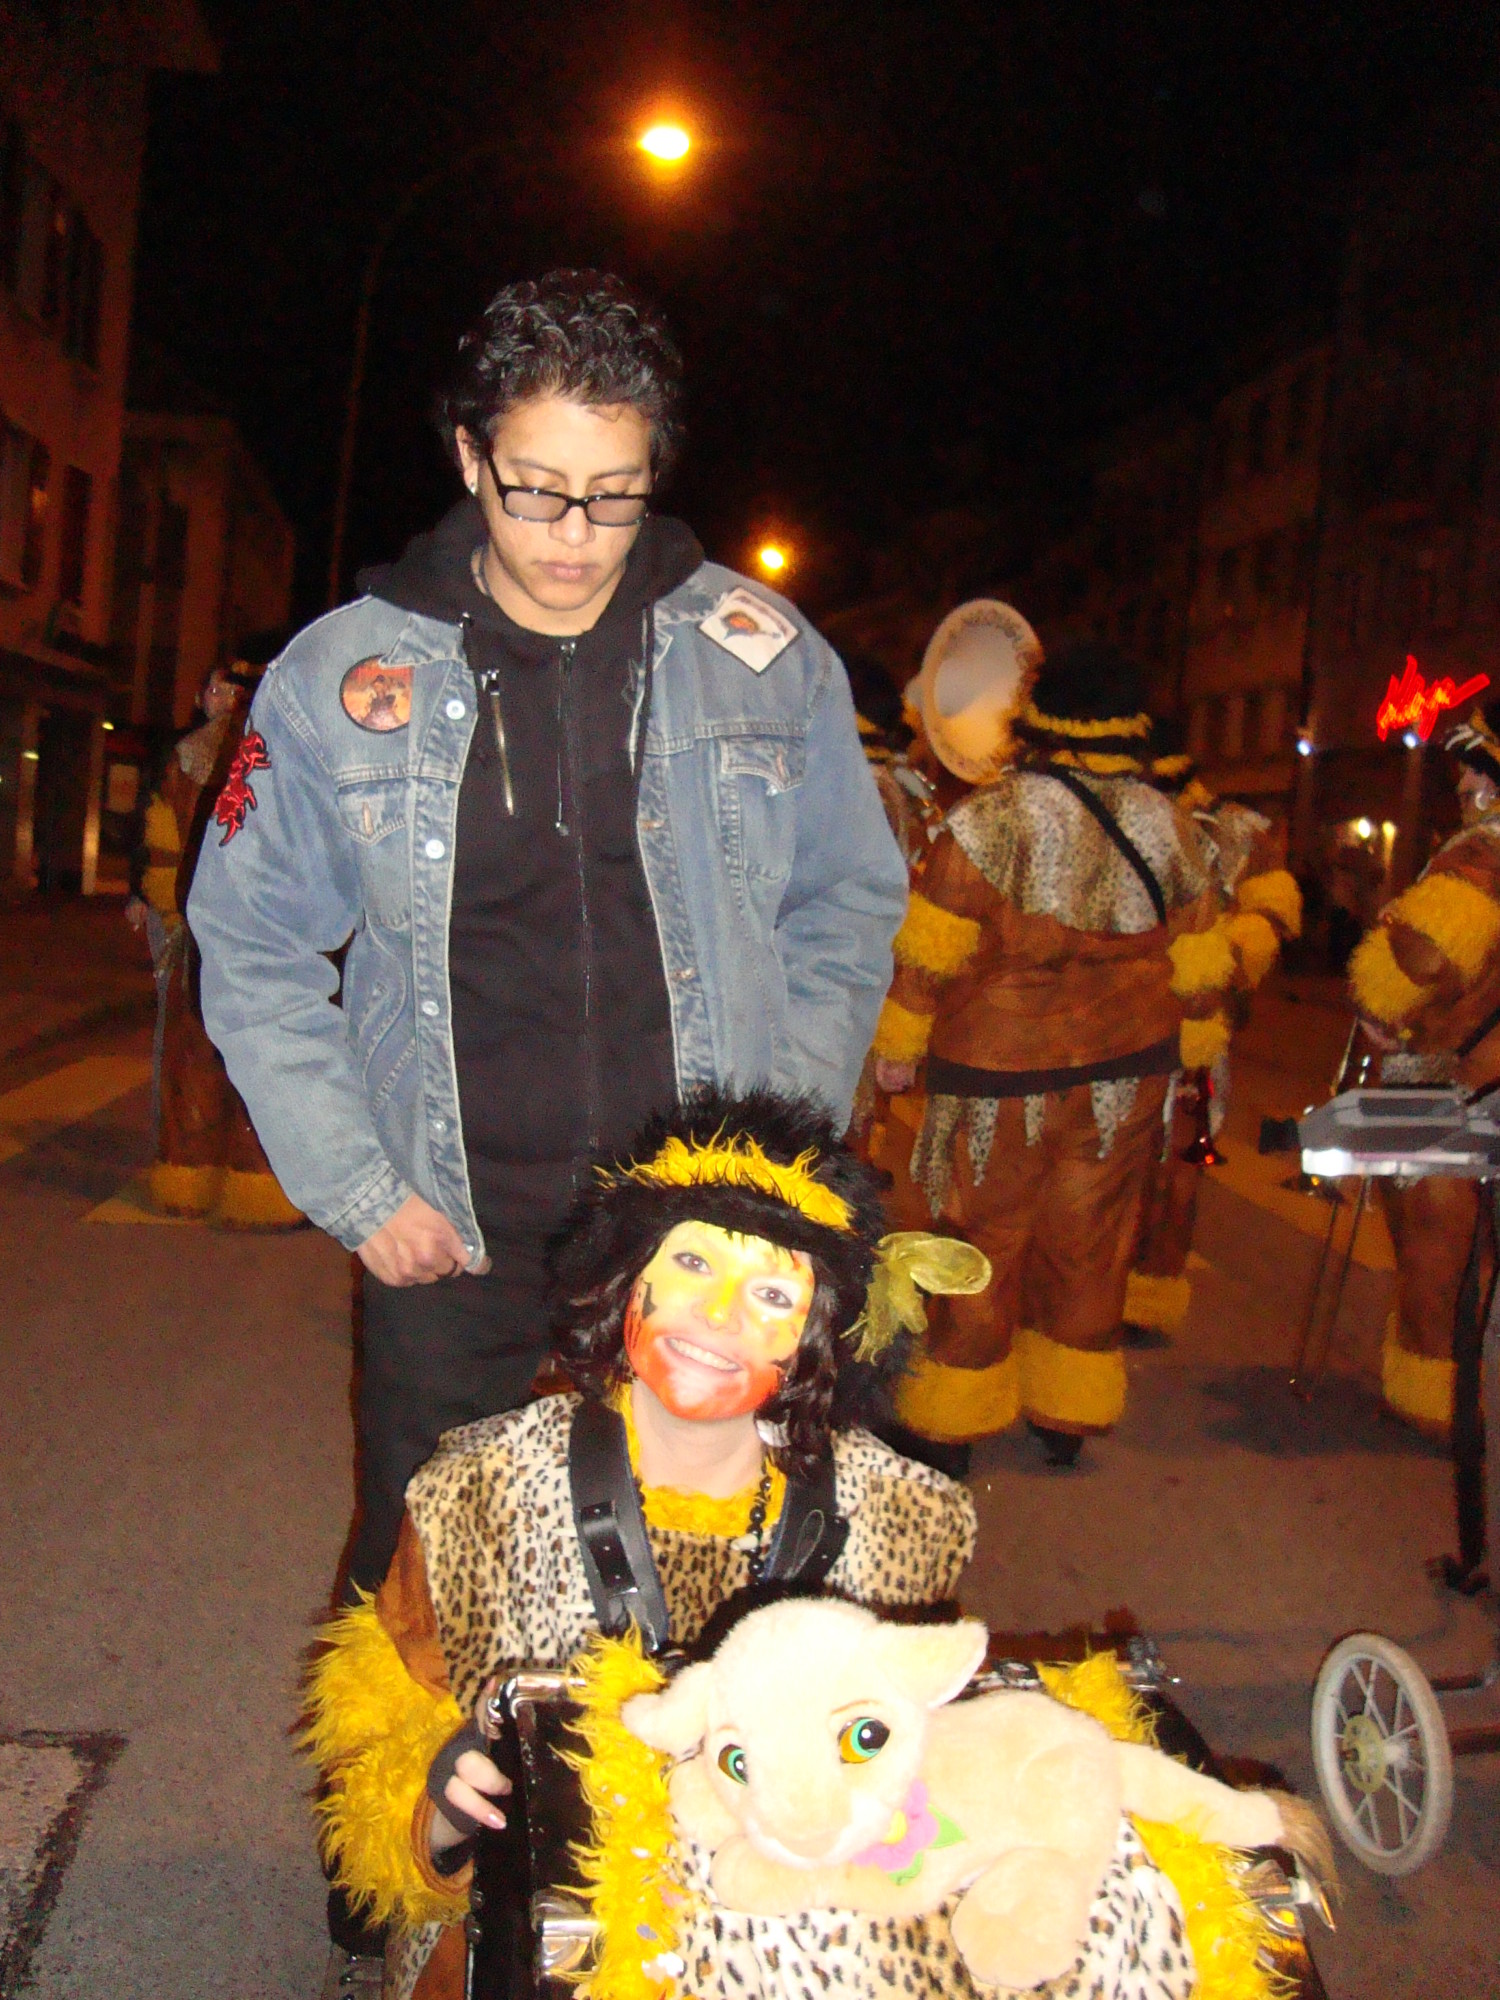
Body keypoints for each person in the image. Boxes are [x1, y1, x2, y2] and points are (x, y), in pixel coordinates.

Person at [187, 270, 907, 1600]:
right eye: (536, 489)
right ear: (470, 456)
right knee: (430, 1590)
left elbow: (846, 906)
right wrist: (357, 1186)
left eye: (614, 494)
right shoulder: (339, 678)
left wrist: (775, 1152)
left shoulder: (764, 658)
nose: (575, 534)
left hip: (696, 1234)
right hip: (451, 1231)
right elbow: (251, 938)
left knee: (694, 1589)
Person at [305, 1089, 979, 2000]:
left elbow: (916, 1782)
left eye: (771, 1294)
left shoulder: (896, 1516)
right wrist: (444, 1814)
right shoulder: (483, 1490)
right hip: (534, 1937)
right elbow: (376, 1767)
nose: (719, 1314)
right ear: (625, 1279)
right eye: (692, 1262)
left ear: (821, 1335)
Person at [869, 642, 1227, 1466]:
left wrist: (899, 1045)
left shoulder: (990, 819)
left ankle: (955, 1414)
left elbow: (932, 946)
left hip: (999, 1071)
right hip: (1128, 1072)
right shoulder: (1171, 825)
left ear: (1039, 723)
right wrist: (1199, 1048)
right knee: (1092, 1239)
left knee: (983, 1236)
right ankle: (1066, 1411)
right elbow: (1203, 961)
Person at [1349, 703, 1500, 1435]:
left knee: (1433, 1246)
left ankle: (1437, 1394)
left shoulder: (1481, 856)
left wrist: (1379, 996)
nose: (1465, 784)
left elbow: (1428, 957)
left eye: (1478, 771)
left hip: (1447, 1077)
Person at [1125, 721, 1302, 1339]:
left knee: (1175, 1167)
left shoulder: (1232, 831)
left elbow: (1272, 914)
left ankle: (1149, 1296)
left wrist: (1220, 963)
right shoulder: (1121, 818)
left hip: (1193, 1034)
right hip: (1129, 1025)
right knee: (1124, 1169)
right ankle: (1112, 1292)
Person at [124, 664, 302, 1227]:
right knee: (257, 1060)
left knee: (196, 1056)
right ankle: (256, 1184)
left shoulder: (190, 757)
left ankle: (189, 1173)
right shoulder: (287, 756)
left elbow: (162, 846)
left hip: (208, 929)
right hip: (259, 937)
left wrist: (175, 913)